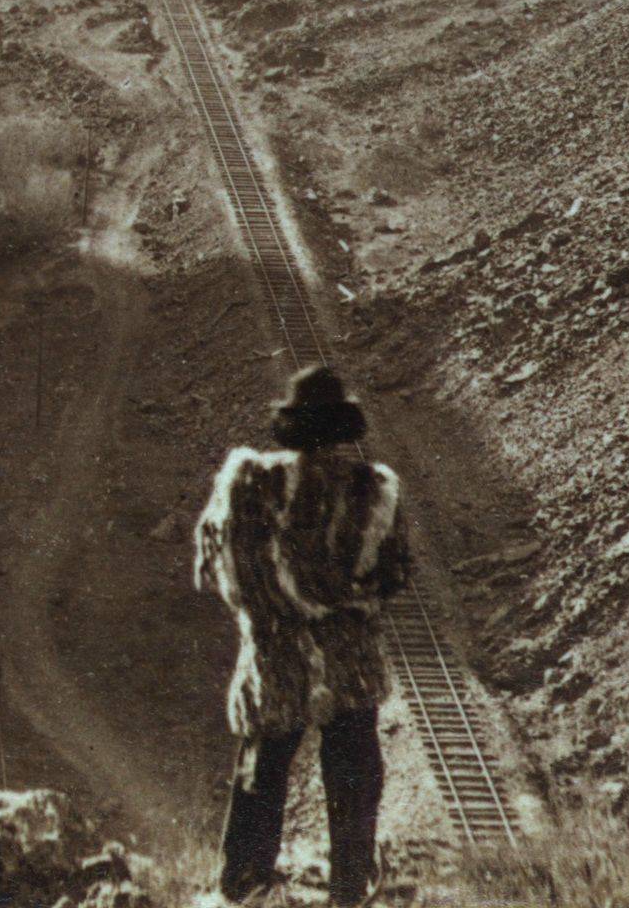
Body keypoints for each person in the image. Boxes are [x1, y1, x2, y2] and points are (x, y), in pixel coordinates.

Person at [193, 365, 411, 905]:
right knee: (355, 770)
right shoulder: (372, 490)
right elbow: (394, 575)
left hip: (276, 652)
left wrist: (280, 605)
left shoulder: (250, 484)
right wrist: (342, 600)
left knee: (262, 767)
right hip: (349, 656)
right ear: (343, 427)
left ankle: (245, 884)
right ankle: (349, 889)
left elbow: (233, 573)